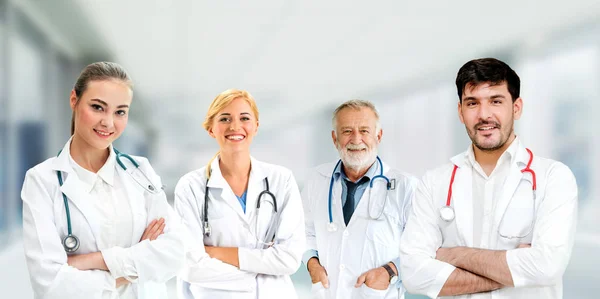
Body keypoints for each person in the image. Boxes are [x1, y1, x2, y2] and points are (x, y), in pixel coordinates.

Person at [399, 58, 578, 298]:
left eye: (496, 101)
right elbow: (413, 275)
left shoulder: (554, 178)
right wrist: (513, 272)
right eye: (472, 103)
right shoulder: (434, 183)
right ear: (460, 112)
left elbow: (546, 266)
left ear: (516, 108)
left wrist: (455, 255)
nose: (484, 115)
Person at [20, 62, 185, 299]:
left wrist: (92, 261)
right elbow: (51, 286)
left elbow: (175, 253)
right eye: (98, 107)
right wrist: (137, 261)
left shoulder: (140, 171)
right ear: (74, 100)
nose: (108, 122)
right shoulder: (41, 181)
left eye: (120, 112)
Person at [174, 89, 306, 299]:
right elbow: (191, 266)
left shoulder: (281, 180)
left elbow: (289, 259)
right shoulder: (191, 186)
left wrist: (215, 253)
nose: (235, 126)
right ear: (211, 129)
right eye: (225, 119)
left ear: (256, 126)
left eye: (244, 118)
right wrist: (261, 273)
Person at [302, 100, 417, 299]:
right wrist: (312, 264)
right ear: (334, 138)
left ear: (378, 136)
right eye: (347, 131)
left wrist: (389, 272)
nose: (356, 139)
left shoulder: (406, 186)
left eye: (364, 131)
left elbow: (425, 247)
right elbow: (303, 232)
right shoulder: (316, 179)